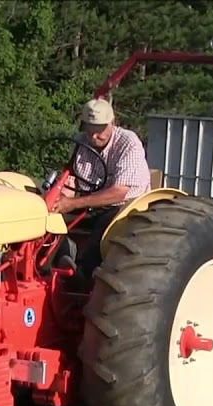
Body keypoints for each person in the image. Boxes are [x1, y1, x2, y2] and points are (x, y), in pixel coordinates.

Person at [51, 98, 151, 288]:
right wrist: (59, 199)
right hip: (90, 203)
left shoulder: (128, 143)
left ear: (113, 122)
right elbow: (71, 180)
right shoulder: (81, 142)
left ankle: (82, 277)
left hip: (126, 205)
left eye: (99, 129)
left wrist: (72, 204)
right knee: (50, 219)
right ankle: (52, 264)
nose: (94, 135)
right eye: (89, 128)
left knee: (105, 225)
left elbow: (119, 193)